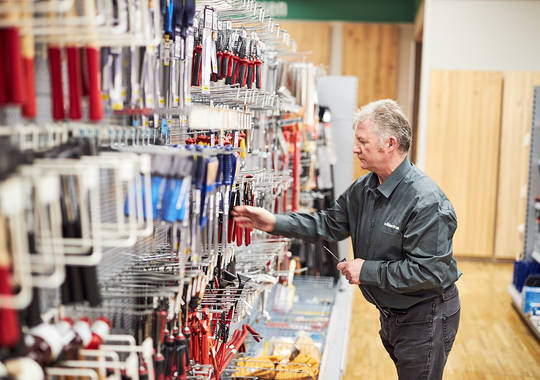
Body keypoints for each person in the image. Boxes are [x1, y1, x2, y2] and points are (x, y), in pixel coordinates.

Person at [232, 99, 461, 380]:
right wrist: (274, 222)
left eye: (363, 142)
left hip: (425, 316)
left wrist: (365, 270)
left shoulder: (425, 202)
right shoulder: (364, 189)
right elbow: (328, 224)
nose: (355, 149)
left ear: (390, 144)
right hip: (392, 314)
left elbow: (429, 272)